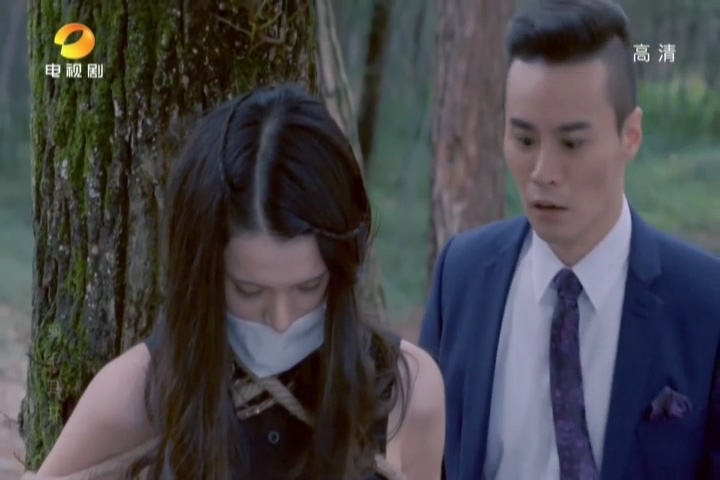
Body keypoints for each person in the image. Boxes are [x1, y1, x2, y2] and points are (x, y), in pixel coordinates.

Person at [27, 85, 445, 480]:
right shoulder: (135, 393)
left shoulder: (407, 391)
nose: (281, 321)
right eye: (249, 291)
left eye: (308, 287)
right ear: (204, 279)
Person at [419, 1, 720, 479]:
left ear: (631, 135)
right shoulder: (462, 276)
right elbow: (422, 455)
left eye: (572, 143)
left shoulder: (705, 304)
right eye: (524, 140)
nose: (543, 172)